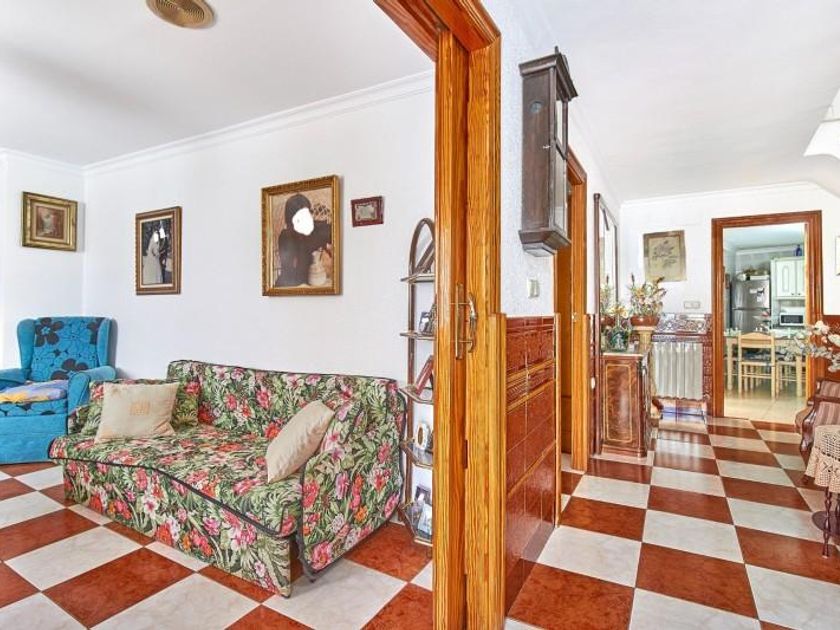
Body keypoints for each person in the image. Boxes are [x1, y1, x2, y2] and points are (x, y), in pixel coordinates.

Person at [275, 193, 332, 287]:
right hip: (290, 285)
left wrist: (328, 247)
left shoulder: (317, 229)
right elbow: (290, 271)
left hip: (312, 282)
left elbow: (331, 232)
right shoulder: (286, 236)